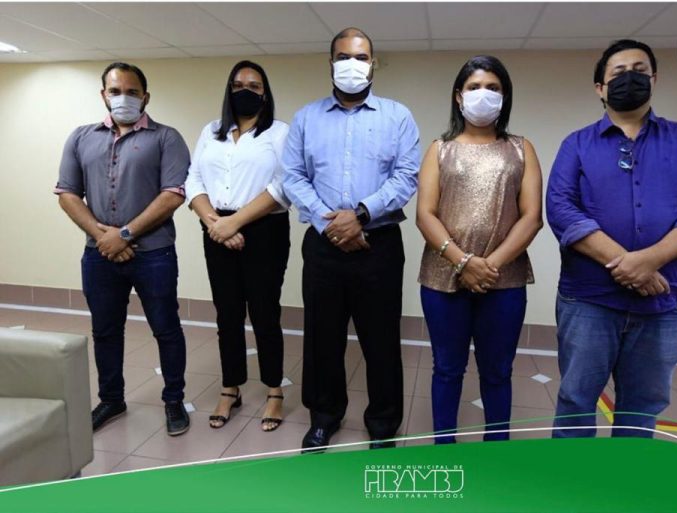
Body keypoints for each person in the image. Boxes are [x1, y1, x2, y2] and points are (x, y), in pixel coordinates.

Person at [546, 40, 677, 438]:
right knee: (575, 401)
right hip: (589, 300)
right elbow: (561, 208)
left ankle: (626, 475)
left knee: (641, 410)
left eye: (639, 71)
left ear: (654, 79)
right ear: (600, 87)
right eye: (618, 73)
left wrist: (650, 261)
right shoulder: (577, 144)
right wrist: (628, 264)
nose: (630, 78)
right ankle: (566, 476)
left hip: (662, 302)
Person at [282, 27, 421, 452]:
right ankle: (324, 416)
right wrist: (332, 225)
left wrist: (359, 215)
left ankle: (382, 423)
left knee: (381, 339)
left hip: (378, 244)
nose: (352, 65)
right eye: (343, 57)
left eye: (361, 57)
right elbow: (293, 177)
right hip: (323, 245)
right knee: (322, 337)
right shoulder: (306, 118)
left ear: (373, 64)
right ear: (330, 64)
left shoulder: (397, 116)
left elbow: (406, 176)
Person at [55, 62, 191, 436]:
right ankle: (112, 399)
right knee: (105, 331)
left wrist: (125, 235)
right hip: (99, 255)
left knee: (166, 328)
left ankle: (174, 400)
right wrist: (104, 238)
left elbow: (173, 194)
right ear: (103, 95)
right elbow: (67, 193)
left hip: (154, 255)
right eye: (115, 91)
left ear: (146, 97)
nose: (123, 98)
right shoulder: (81, 137)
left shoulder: (166, 138)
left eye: (132, 92)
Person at [416, 56, 543, 444]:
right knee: (447, 369)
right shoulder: (440, 149)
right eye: (474, 87)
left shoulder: (521, 149)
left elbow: (532, 217)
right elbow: (425, 214)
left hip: (504, 282)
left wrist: (488, 266)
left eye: (493, 88)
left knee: (497, 372)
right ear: (459, 97)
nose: (483, 95)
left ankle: (495, 454)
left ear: (505, 97)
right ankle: (445, 449)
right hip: (443, 279)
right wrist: (463, 262)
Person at [185, 61, 290, 431]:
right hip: (215, 227)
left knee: (264, 313)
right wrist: (215, 223)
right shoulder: (211, 131)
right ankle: (230, 387)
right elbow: (194, 179)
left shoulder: (279, 132)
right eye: (238, 84)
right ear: (229, 90)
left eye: (254, 85)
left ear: (265, 93)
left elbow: (284, 185)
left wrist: (236, 222)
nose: (246, 90)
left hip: (264, 229)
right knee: (227, 314)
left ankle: (274, 391)